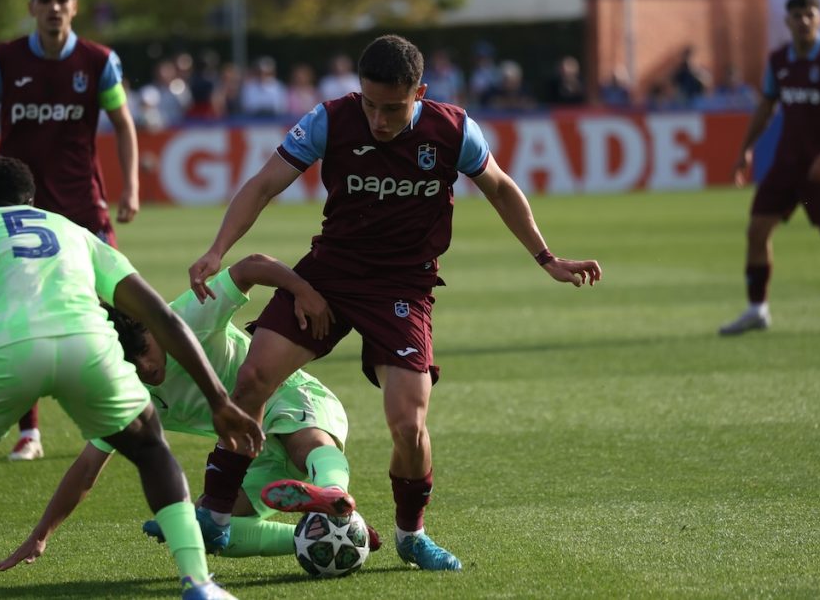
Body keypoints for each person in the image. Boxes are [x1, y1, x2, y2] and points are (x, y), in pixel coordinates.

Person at [187, 34, 602, 571]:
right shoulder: (328, 120)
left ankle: (411, 535)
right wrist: (218, 249)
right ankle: (216, 516)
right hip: (331, 273)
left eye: (393, 108)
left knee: (408, 425)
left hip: (404, 287)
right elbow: (264, 184)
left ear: (419, 93)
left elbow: (499, 188)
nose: (378, 121)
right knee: (253, 377)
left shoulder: (452, 130)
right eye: (369, 104)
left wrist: (547, 258)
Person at [0, 157, 262, 600]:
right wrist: (217, 399)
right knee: (151, 448)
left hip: (5, 353)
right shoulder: (69, 229)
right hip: (89, 346)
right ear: (31, 202)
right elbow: (160, 315)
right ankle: (198, 582)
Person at [0, 253, 384, 569]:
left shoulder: (183, 318)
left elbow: (250, 267)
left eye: (144, 350)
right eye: (132, 364)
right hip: (250, 452)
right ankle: (336, 531)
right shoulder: (128, 392)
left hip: (286, 394)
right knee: (211, 532)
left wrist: (302, 289)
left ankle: (333, 491)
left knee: (304, 444)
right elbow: (87, 469)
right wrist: (41, 534)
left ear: (149, 327)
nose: (145, 367)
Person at [0, 0, 141, 461]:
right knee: (23, 307)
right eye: (44, 0)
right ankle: (30, 432)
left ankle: (131, 413)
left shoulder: (99, 61)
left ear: (74, 6)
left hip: (85, 205)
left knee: (120, 303)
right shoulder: (4, 59)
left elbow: (123, 123)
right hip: (22, 206)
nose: (54, 7)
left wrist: (129, 186)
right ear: (31, 7)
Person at [720, 0, 820, 336]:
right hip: (787, 164)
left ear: (819, 19)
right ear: (788, 21)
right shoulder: (779, 61)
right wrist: (744, 150)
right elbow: (766, 108)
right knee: (756, 231)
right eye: (797, 15)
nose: (803, 21)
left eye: (809, 14)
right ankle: (757, 310)